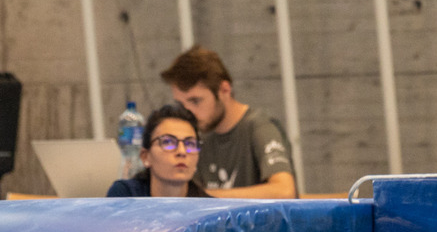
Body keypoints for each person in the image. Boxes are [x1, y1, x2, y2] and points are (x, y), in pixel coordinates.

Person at [159, 44, 296, 199]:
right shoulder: (197, 138)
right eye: (181, 104)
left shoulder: (259, 127)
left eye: (196, 101)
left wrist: (204, 196)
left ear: (224, 90)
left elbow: (284, 191)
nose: (188, 112)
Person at [107, 102, 210, 197]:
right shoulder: (125, 195)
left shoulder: (209, 208)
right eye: (168, 142)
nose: (182, 152)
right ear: (145, 156)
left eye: (190, 144)